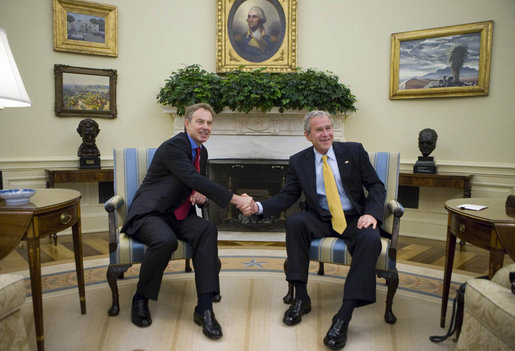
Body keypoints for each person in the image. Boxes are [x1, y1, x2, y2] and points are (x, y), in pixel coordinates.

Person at [241, 110, 386, 350]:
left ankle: (343, 316)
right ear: (308, 135)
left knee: (371, 239)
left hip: (354, 218)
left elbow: (375, 186)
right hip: (320, 217)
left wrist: (371, 213)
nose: (326, 133)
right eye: (319, 130)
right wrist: (258, 206)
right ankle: (301, 298)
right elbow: (287, 196)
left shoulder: (354, 151)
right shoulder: (299, 161)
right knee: (295, 223)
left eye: (328, 128)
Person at [121, 103, 252, 339]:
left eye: (209, 123)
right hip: (151, 213)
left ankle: (204, 308)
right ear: (187, 123)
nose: (205, 127)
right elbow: (191, 177)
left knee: (207, 229)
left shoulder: (203, 153)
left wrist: (200, 195)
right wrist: (233, 198)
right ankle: (141, 298)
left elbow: (197, 185)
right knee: (165, 241)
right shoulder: (174, 146)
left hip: (178, 214)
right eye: (200, 122)